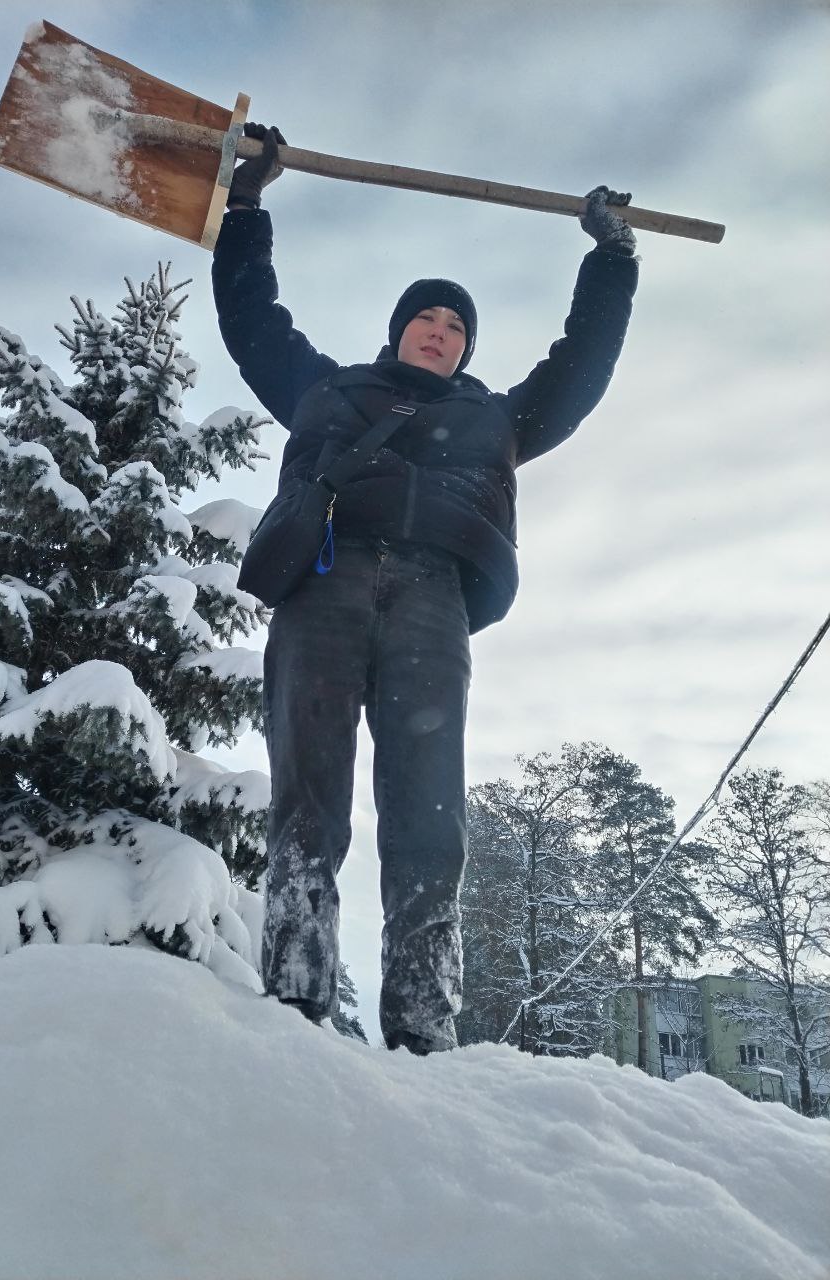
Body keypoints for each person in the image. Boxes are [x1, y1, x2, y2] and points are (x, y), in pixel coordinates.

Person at [212, 124, 639, 1054]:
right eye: (427, 319)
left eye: (456, 328)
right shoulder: (328, 392)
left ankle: (422, 1028)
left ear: (465, 349)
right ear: (399, 329)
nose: (440, 333)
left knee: (428, 813)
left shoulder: (498, 420)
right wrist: (246, 206)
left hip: (434, 604)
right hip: (325, 586)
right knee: (309, 798)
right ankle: (295, 999)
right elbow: (253, 321)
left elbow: (582, 364)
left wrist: (611, 260)